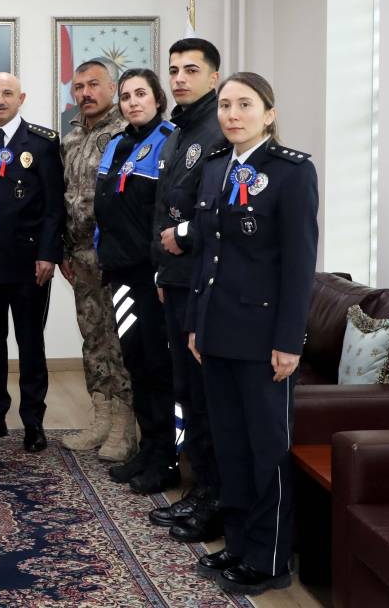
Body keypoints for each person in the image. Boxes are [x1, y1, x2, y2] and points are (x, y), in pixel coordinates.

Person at [188, 72, 318, 595]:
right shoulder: (217, 168)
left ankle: (269, 560)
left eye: (245, 104)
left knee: (267, 450)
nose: (232, 114)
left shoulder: (291, 172)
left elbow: (298, 264)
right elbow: (207, 258)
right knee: (230, 447)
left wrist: (290, 340)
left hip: (264, 338)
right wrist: (196, 326)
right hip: (217, 332)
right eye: (224, 105)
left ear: (269, 113)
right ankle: (239, 545)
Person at [0, 72, 65, 453]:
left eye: (8, 94)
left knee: (30, 343)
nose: (0, 100)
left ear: (22, 97)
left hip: (28, 263)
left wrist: (48, 254)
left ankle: (33, 422)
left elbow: (55, 206)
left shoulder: (42, 142)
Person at [147, 38, 227, 542]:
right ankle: (200, 490)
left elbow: (215, 210)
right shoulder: (179, 128)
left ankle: (214, 499)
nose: (179, 77)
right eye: (173, 69)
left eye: (191, 70)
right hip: (176, 280)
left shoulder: (218, 128)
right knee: (186, 392)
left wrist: (184, 239)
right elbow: (167, 203)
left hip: (204, 283)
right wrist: (160, 272)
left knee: (203, 394)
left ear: (213, 77)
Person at [92, 68, 177, 494]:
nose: (132, 102)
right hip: (121, 274)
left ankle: (167, 457)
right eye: (126, 96)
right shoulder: (119, 143)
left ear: (158, 99)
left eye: (141, 94)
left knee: (160, 368)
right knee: (137, 365)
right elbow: (104, 204)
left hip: (153, 278)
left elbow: (167, 211)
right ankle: (148, 447)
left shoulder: (171, 141)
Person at [57, 59, 134, 460]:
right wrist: (63, 252)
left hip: (116, 258)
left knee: (119, 339)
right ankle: (101, 416)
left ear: (112, 87)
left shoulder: (128, 134)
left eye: (93, 85)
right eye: (78, 87)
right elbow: (62, 197)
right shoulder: (69, 137)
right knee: (93, 337)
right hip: (80, 258)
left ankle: (124, 425)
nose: (85, 93)